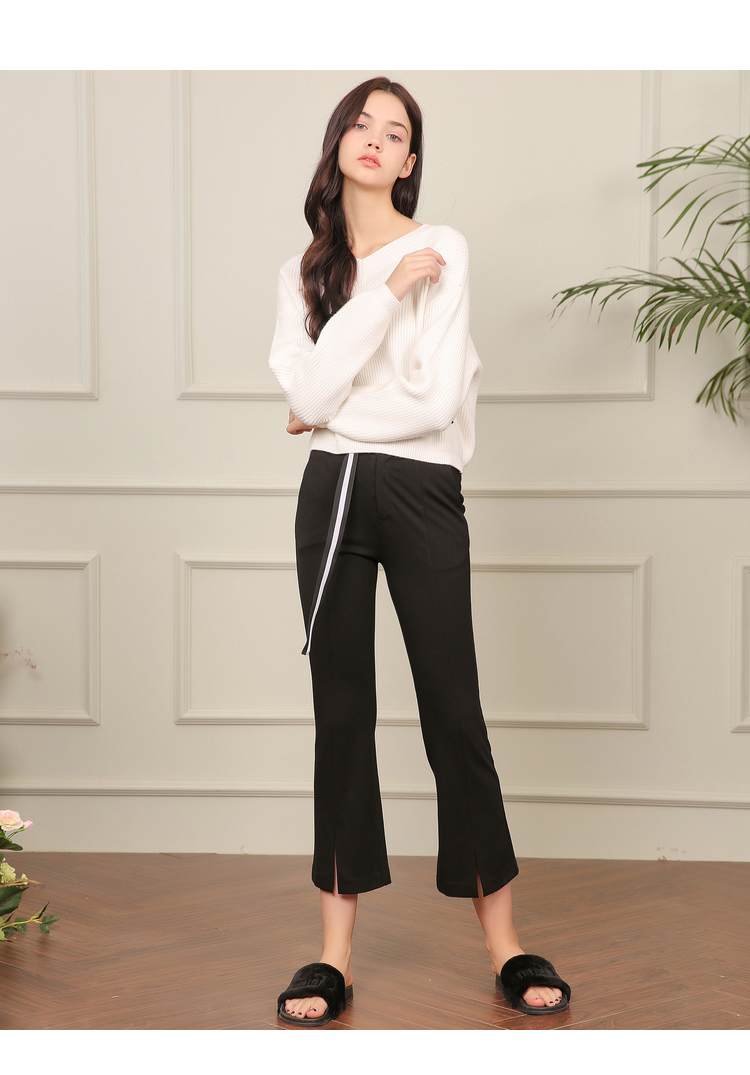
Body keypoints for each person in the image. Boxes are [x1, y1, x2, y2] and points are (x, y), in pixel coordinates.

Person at [269, 76, 571, 1027]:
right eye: (360, 123)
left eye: (395, 131)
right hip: (331, 498)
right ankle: (333, 955)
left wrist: (326, 406)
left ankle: (507, 943)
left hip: (422, 491)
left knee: (453, 709)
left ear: (409, 161)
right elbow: (308, 396)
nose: (375, 138)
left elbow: (432, 403)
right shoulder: (304, 272)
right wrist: (380, 299)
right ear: (339, 143)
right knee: (341, 716)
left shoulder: (443, 247)